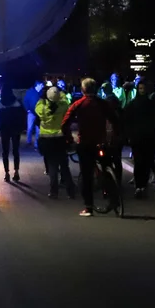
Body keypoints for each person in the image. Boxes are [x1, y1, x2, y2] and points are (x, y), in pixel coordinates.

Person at [63, 78, 117, 217]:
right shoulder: (103, 104)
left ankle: (88, 207)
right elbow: (115, 120)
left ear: (83, 90)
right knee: (107, 167)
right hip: (102, 142)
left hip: (85, 143)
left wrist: (69, 139)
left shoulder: (78, 104)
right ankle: (113, 196)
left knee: (86, 175)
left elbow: (65, 124)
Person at [36, 86, 75, 199]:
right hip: (60, 139)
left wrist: (45, 95)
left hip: (46, 140)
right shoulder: (62, 106)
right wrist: (59, 93)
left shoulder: (41, 107)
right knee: (64, 166)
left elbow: (38, 103)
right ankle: (70, 191)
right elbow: (65, 101)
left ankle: (54, 192)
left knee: (52, 166)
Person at [125, 80, 155, 198]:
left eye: (143, 88)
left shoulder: (151, 105)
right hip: (137, 138)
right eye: (140, 88)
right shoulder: (132, 104)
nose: (142, 91)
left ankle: (143, 186)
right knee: (138, 162)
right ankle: (138, 186)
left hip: (148, 138)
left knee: (145, 163)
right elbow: (127, 121)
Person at [0, 84, 24, 183]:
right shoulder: (17, 103)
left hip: (4, 130)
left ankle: (6, 173)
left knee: (5, 152)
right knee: (16, 151)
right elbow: (22, 116)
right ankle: (16, 172)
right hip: (15, 130)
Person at [23, 80, 45, 148]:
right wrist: (27, 109)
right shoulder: (30, 92)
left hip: (39, 114)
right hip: (31, 113)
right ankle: (28, 141)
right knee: (30, 128)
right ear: (38, 85)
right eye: (41, 85)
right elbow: (25, 101)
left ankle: (36, 143)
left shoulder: (41, 93)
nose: (43, 86)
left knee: (38, 129)